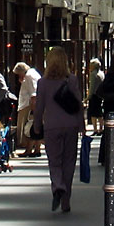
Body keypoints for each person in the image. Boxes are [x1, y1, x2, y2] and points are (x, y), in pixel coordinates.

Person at [31, 46, 85, 213]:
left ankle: (57, 186)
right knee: (69, 162)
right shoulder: (72, 80)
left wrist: (37, 126)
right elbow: (78, 105)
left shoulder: (43, 83)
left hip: (52, 127)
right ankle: (66, 201)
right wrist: (82, 125)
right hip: (70, 125)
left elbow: (39, 107)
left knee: (54, 161)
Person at [12, 61, 42, 157]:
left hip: (28, 106)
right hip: (33, 105)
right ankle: (36, 149)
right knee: (35, 127)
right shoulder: (32, 74)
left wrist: (33, 109)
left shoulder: (29, 76)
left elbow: (34, 93)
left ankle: (28, 150)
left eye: (18, 74)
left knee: (28, 128)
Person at [86, 58, 105, 136]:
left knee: (93, 113)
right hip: (100, 95)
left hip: (94, 96)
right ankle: (101, 128)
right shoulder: (101, 73)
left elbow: (92, 86)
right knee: (99, 113)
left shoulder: (93, 74)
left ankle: (95, 129)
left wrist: (88, 97)